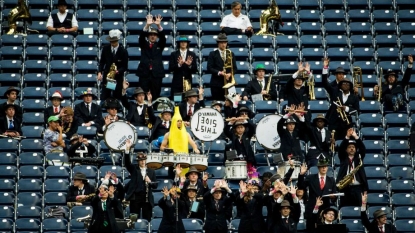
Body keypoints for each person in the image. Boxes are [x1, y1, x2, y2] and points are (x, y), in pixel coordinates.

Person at [297, 157, 337, 233]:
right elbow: (301, 186)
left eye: (325, 166)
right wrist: (301, 174)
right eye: (322, 166)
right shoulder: (311, 178)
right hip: (312, 209)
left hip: (325, 210)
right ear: (318, 167)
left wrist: (333, 197)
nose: (324, 168)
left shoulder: (331, 180)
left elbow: (334, 197)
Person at [322, 59, 359, 140]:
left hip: (346, 124)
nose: (345, 85)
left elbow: (356, 110)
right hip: (334, 122)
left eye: (347, 84)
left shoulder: (354, 96)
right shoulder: (335, 91)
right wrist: (325, 67)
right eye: (343, 84)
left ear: (350, 86)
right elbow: (325, 83)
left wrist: (346, 108)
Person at [124, 140, 158, 221]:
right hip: (136, 197)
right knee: (134, 218)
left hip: (146, 197)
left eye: (144, 160)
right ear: (138, 161)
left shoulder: (151, 171)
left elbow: (155, 185)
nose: (142, 162)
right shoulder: (134, 169)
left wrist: (150, 182)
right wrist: (127, 150)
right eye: (141, 160)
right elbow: (127, 163)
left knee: (147, 218)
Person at [137, 14, 166, 100]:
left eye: (155, 35)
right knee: (143, 95)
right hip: (144, 74)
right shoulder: (144, 45)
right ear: (148, 36)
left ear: (157, 37)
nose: (153, 36)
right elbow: (141, 38)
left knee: (156, 94)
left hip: (156, 74)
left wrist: (158, 26)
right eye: (150, 34)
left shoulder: (160, 45)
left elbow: (163, 38)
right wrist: (147, 25)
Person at [337, 128, 367, 207]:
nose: (351, 148)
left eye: (353, 147)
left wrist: (356, 137)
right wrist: (347, 136)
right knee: (344, 207)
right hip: (345, 187)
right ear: (346, 150)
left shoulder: (359, 158)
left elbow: (363, 149)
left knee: (360, 207)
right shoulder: (343, 158)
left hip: (358, 188)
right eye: (349, 147)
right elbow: (341, 149)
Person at [97, 29, 129, 100]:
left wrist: (117, 71)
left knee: (117, 96)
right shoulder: (105, 49)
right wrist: (99, 72)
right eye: (111, 41)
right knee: (105, 96)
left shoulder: (123, 51)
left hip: (117, 78)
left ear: (117, 40)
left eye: (114, 41)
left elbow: (124, 67)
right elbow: (102, 62)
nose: (112, 43)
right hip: (107, 77)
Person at [207, 33, 237, 100]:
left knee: (231, 103)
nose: (224, 44)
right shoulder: (212, 54)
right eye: (221, 43)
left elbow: (235, 68)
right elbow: (209, 68)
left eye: (225, 43)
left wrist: (230, 74)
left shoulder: (231, 53)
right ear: (218, 43)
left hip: (229, 83)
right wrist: (220, 73)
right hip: (216, 84)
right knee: (217, 103)